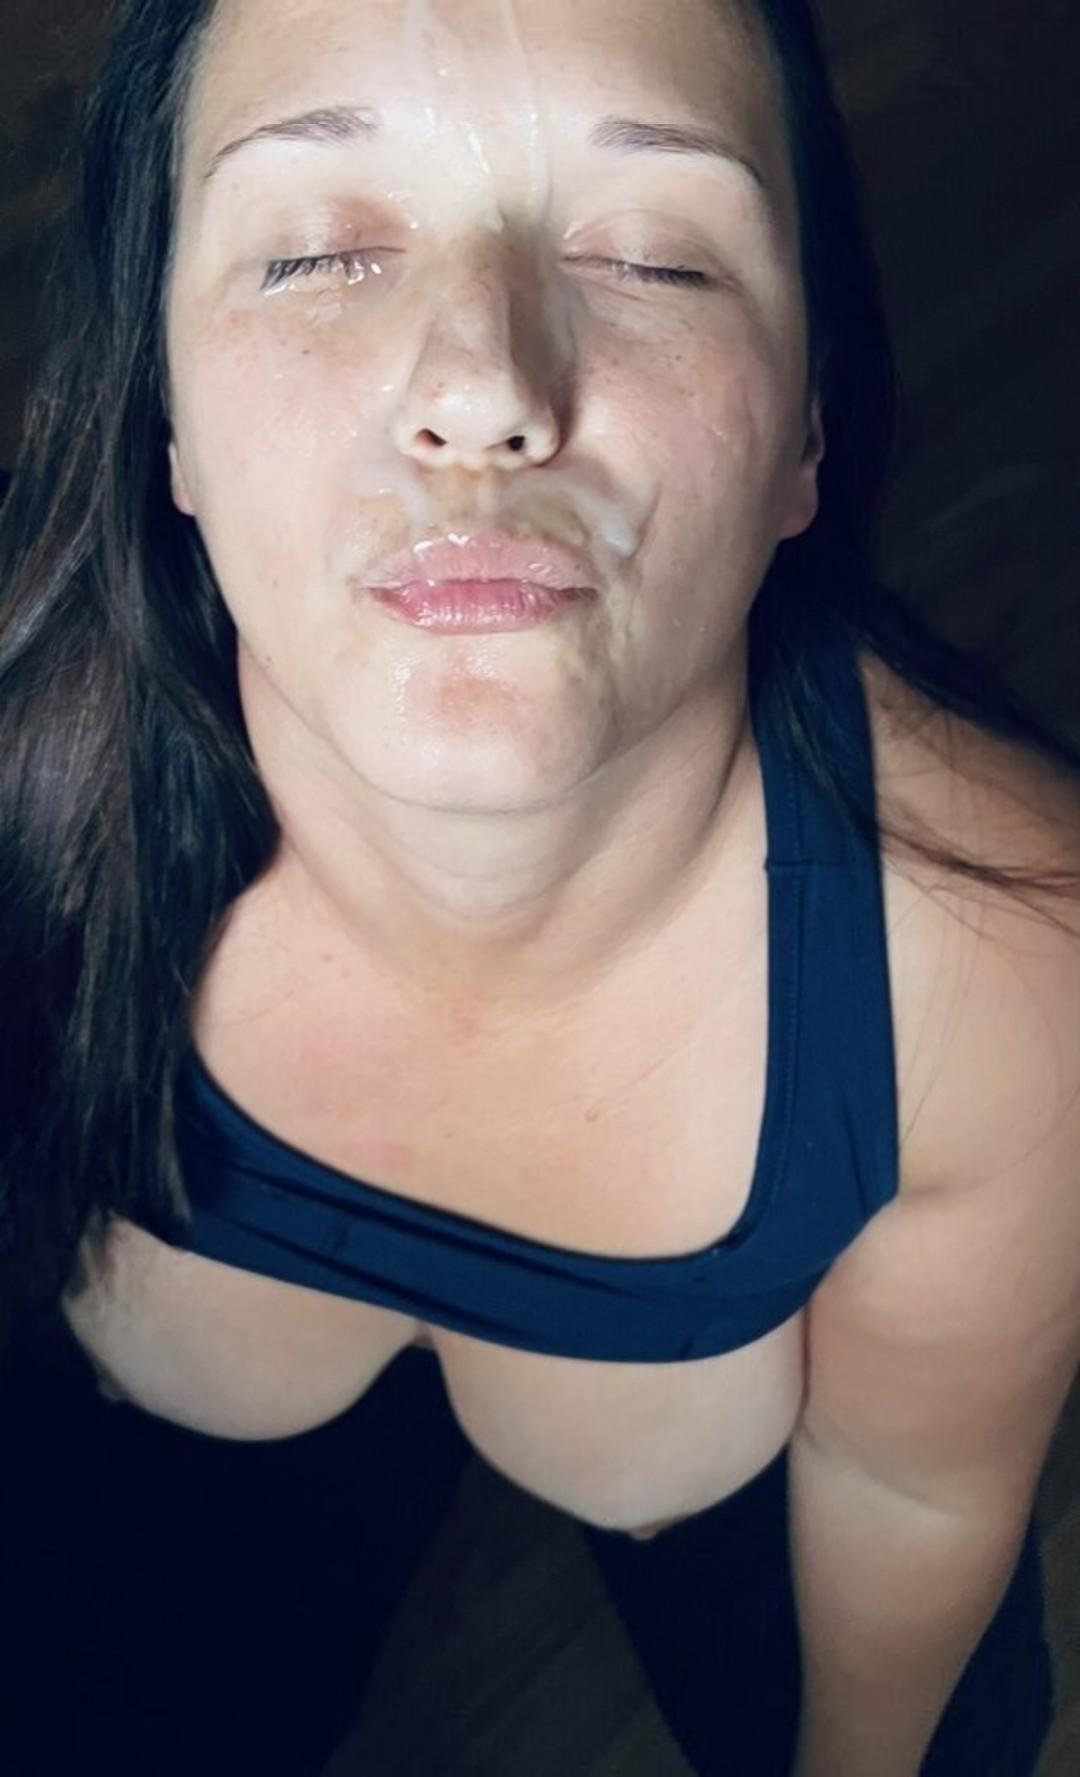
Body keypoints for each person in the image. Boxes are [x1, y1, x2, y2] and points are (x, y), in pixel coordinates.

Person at [0, 0, 1078, 1772]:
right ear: (163, 416)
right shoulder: (29, 802)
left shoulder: (995, 976)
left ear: (807, 427)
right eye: (317, 249)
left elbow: (914, 1489)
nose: (483, 391)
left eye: (656, 256)